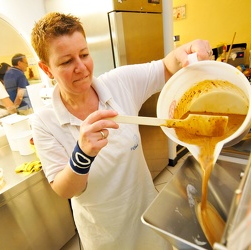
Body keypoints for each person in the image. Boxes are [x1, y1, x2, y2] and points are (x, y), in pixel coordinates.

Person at [30, 12, 212, 250]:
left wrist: (186, 51)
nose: (81, 67)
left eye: (84, 54)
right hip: (104, 233)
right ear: (47, 69)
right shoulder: (45, 122)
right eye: (66, 62)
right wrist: (82, 155)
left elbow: (168, 67)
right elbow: (65, 189)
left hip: (147, 214)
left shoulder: (118, 83)